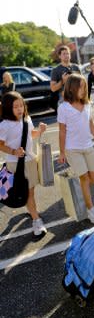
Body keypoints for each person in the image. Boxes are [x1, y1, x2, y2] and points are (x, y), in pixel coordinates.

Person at [57, 73, 94, 224]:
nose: (84, 90)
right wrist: (62, 152)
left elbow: (90, 124)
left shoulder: (87, 104)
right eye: (81, 87)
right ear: (72, 88)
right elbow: (62, 131)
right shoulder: (63, 108)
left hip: (88, 146)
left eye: (85, 87)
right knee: (84, 178)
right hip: (72, 149)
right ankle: (90, 210)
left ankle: (82, 190)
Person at [0, 91, 47, 237]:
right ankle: (36, 220)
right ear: (8, 108)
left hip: (30, 161)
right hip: (15, 164)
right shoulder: (5, 125)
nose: (20, 109)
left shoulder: (26, 119)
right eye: (15, 106)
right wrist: (14, 152)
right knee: (27, 193)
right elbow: (0, 144)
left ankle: (31, 210)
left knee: (30, 192)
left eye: (21, 105)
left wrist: (39, 131)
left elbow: (30, 134)